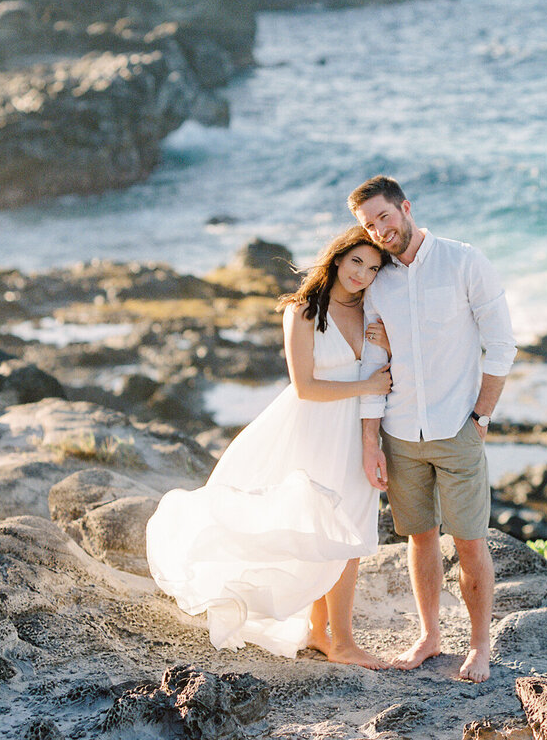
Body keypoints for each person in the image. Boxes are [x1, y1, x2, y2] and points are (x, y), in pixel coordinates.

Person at [146, 226, 393, 668]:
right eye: (357, 261)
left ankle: (322, 633)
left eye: (373, 268)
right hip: (313, 427)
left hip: (357, 431)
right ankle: (343, 642)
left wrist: (387, 349)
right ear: (337, 258)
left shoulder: (373, 312)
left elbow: (398, 362)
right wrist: (367, 383)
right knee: (329, 530)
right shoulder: (302, 312)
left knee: (348, 532)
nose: (363, 274)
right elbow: (305, 387)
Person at [348, 175, 516, 683]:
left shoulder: (464, 261)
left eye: (384, 216)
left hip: (457, 427)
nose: (379, 230)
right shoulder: (377, 282)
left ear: (405, 207)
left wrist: (481, 417)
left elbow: (502, 344)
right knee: (419, 540)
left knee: (469, 542)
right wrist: (370, 439)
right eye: (367, 225)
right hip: (400, 434)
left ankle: (480, 646)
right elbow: (374, 366)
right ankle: (429, 637)